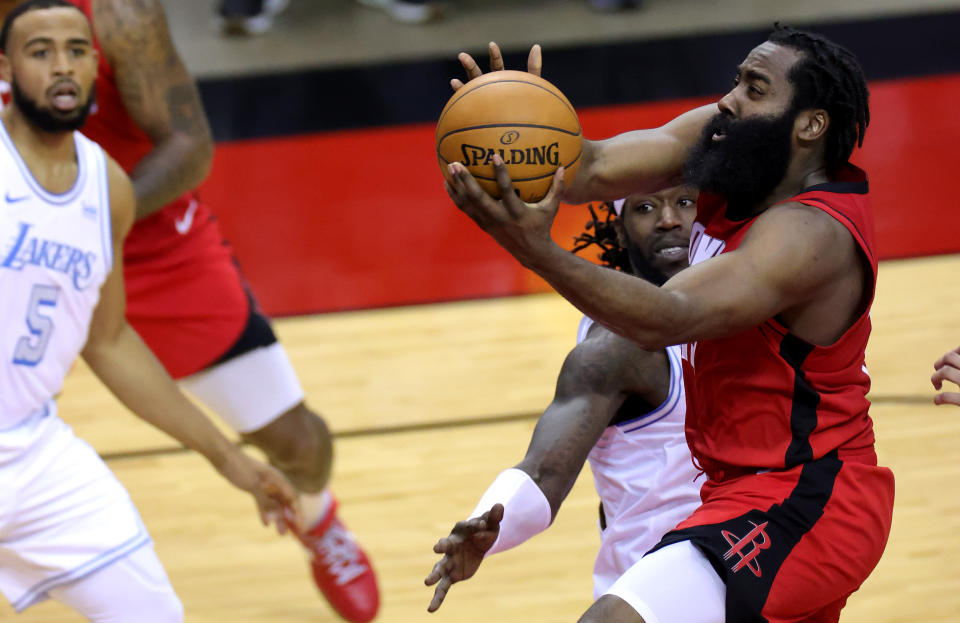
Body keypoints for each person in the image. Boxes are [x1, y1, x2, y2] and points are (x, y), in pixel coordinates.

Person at [443, 29, 895, 623]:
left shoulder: (814, 236)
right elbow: (595, 166)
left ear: (809, 125)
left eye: (754, 89)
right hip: (740, 489)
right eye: (737, 80)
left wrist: (536, 252)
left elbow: (670, 317)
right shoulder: (735, 141)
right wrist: (513, 123)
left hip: (806, 498)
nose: (730, 100)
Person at [0, 0, 380, 621]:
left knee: (299, 442)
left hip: (148, 245)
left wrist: (91, 221)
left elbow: (190, 145)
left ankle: (319, 518)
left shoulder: (120, 15)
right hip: (18, 242)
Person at [425, 186, 703, 612]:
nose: (670, 219)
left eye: (684, 202)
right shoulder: (616, 347)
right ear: (620, 230)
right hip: (652, 587)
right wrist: (492, 521)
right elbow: (544, 471)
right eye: (645, 208)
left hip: (753, 560)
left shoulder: (748, 301)